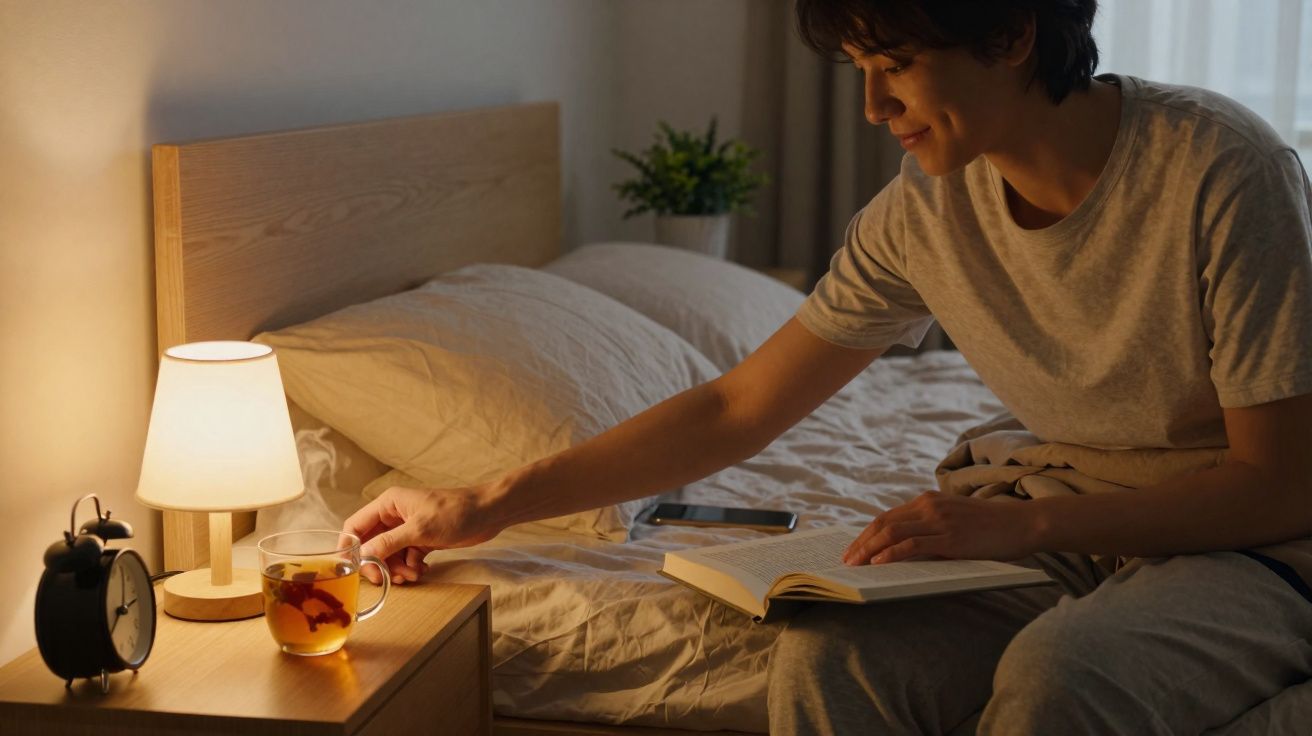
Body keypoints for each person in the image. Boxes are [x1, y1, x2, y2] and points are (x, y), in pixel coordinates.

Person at [345, 1, 1312, 732]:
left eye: (895, 64)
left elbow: (1277, 487)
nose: (871, 104)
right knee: (828, 655)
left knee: (1064, 674)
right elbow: (735, 407)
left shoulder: (1221, 172)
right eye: (858, 66)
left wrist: (1027, 524)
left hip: (1244, 546)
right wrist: (484, 503)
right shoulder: (925, 211)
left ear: (1013, 36)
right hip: (1056, 523)